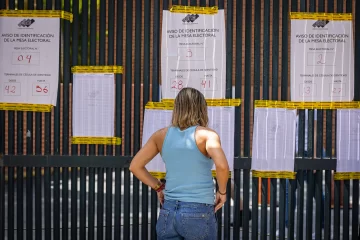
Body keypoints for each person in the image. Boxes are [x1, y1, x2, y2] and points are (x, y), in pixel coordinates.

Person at [130, 87, 230, 240]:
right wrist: (222, 192)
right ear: (201, 108)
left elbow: (135, 166)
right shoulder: (207, 135)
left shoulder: (160, 135)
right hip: (198, 210)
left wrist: (159, 187)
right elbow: (222, 166)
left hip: (168, 211)